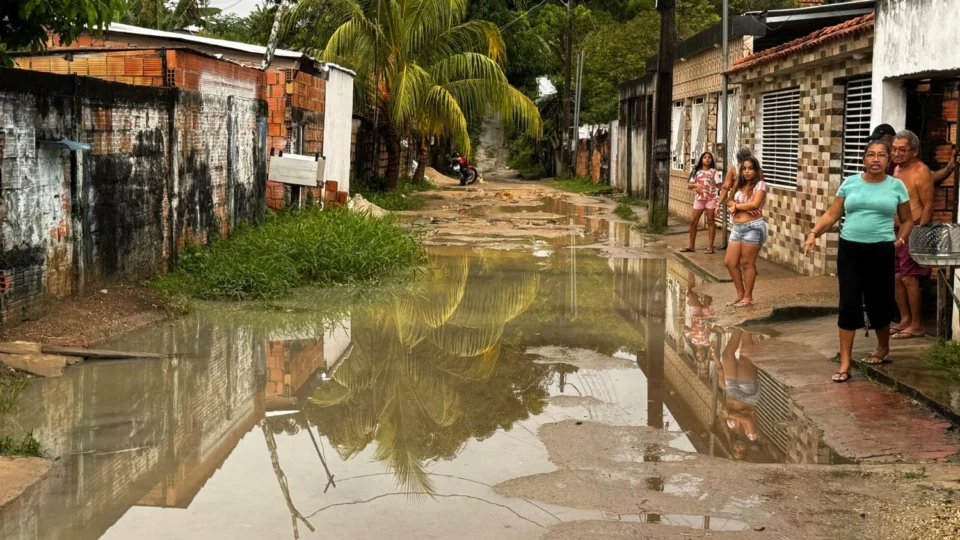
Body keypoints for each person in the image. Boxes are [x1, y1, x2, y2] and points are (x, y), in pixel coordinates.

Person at [803, 140, 913, 382]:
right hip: (850, 249)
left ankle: (882, 349)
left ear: (888, 160)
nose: (876, 159)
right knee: (849, 302)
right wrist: (814, 234)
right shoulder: (850, 183)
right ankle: (845, 363)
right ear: (864, 159)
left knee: (879, 301)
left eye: (881, 155)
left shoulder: (897, 186)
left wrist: (900, 242)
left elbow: (907, 219)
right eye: (871, 155)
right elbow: (833, 214)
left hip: (881, 250)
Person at [891, 130, 934, 340]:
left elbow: (928, 205)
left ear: (914, 151)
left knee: (909, 278)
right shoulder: (896, 170)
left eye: (902, 150)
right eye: (894, 149)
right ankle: (905, 319)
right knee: (897, 277)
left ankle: (917, 324)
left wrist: (920, 234)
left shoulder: (921, 171)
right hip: (896, 230)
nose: (897, 154)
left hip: (914, 228)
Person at [724, 156, 767, 308]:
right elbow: (728, 200)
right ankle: (740, 294)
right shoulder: (739, 184)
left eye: (750, 169)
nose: (747, 172)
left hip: (753, 228)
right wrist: (738, 205)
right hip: (737, 228)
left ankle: (748, 297)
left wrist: (736, 207)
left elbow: (755, 204)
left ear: (756, 170)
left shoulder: (760, 185)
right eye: (744, 169)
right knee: (730, 262)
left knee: (747, 263)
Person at [681, 152, 723, 254]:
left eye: (709, 158)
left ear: (711, 160)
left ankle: (710, 247)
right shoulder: (696, 171)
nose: (707, 159)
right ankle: (691, 246)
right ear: (701, 159)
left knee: (710, 221)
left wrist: (724, 194)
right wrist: (696, 185)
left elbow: (719, 186)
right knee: (693, 222)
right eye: (705, 157)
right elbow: (689, 185)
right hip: (699, 199)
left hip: (711, 199)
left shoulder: (714, 172)